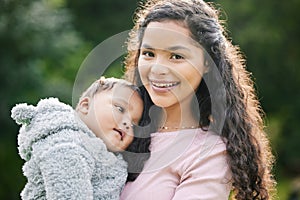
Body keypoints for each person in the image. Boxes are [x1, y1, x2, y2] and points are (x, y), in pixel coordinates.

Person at [120, 0, 277, 199]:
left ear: (207, 63)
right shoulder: (121, 128)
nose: (157, 69)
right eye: (149, 53)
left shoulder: (208, 153)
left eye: (176, 56)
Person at [11, 77, 144, 200]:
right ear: (85, 106)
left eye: (134, 124)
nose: (127, 123)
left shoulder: (111, 162)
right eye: (120, 109)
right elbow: (68, 192)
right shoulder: (66, 143)